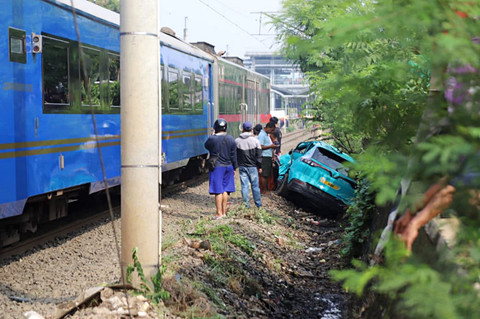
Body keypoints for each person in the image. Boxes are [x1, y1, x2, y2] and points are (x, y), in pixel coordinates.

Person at [204, 119, 238, 219]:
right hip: (229, 167)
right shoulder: (231, 139)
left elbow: (207, 146)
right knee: (225, 190)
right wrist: (234, 168)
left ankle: (218, 213)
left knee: (218, 190)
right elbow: (233, 155)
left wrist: (213, 135)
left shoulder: (212, 139)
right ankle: (224, 213)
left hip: (217, 167)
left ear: (215, 128)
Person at [235, 121, 263, 208]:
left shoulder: (237, 141)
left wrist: (235, 166)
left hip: (242, 166)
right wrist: (260, 166)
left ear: (242, 129)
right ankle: (258, 205)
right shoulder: (255, 141)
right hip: (253, 167)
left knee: (244, 186)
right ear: (251, 129)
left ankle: (246, 205)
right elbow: (259, 155)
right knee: (255, 186)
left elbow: (235, 155)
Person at [258, 122, 277, 193]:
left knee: (267, 174)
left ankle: (266, 189)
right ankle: (264, 190)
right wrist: (270, 146)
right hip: (264, 156)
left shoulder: (266, 135)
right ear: (268, 127)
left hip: (267, 156)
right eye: (271, 130)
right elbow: (260, 146)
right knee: (264, 174)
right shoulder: (262, 135)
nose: (272, 132)